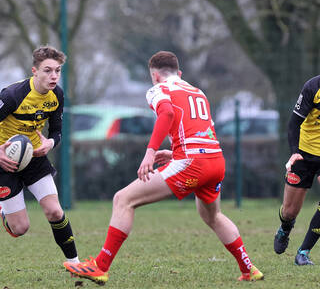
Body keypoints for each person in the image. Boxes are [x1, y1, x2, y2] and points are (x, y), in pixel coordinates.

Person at [64, 51, 264, 284]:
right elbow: (202, 130)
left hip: (192, 164)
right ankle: (249, 269)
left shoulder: (159, 89)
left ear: (155, 76)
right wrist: (175, 152)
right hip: (215, 161)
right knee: (214, 216)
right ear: (179, 73)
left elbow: (167, 113)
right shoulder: (198, 92)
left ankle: (100, 266)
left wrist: (150, 152)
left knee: (123, 199)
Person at [0, 45, 79, 265]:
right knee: (20, 229)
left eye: (57, 70)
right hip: (4, 162)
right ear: (34, 71)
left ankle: (75, 263)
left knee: (55, 211)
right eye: (47, 70)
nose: (53, 76)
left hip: (34, 158)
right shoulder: (12, 95)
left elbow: (56, 130)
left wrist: (50, 143)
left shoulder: (57, 95)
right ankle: (3, 209)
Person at [274, 74, 320, 265]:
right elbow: (293, 123)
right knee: (290, 211)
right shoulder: (313, 86)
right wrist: (294, 152)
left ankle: (303, 252)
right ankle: (286, 226)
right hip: (304, 152)